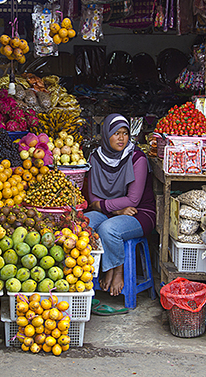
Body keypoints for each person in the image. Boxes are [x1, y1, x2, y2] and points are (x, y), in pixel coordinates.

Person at [85, 113, 156, 297]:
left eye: (125, 133)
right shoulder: (95, 157)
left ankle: (117, 270)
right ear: (106, 134)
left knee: (109, 229)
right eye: (116, 133)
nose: (121, 138)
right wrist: (116, 209)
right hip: (112, 210)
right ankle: (88, 276)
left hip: (139, 213)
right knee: (84, 224)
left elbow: (132, 200)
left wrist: (105, 206)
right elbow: (93, 198)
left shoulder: (136, 158)